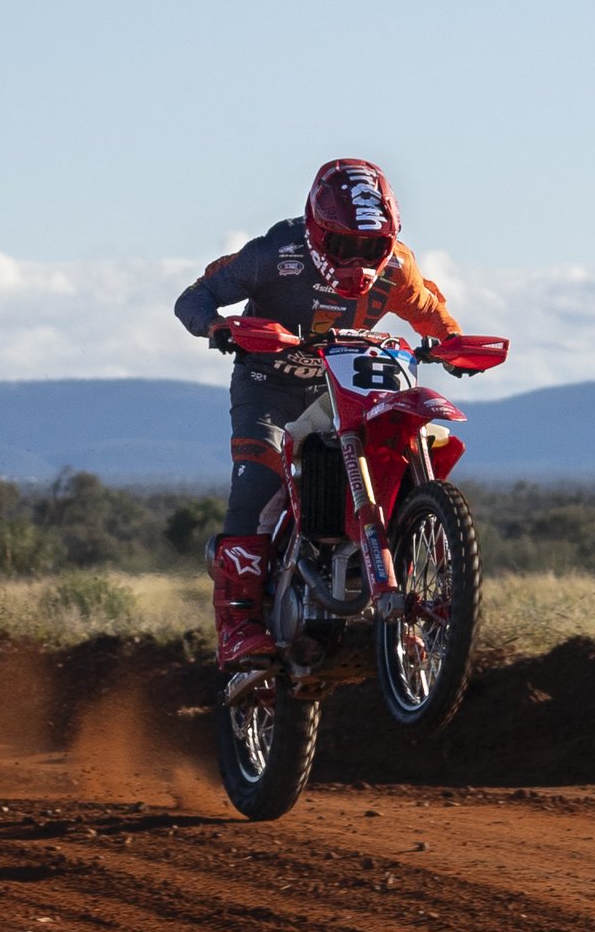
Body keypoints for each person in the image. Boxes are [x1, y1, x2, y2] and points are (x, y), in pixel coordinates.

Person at [174, 158, 462, 666]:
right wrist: (217, 328)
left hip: (352, 387)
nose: (359, 258)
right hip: (270, 384)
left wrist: (453, 344)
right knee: (258, 477)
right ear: (315, 229)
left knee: (395, 455)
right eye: (343, 243)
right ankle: (238, 624)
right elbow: (195, 297)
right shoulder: (273, 253)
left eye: (372, 245)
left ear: (391, 239)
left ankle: (404, 591)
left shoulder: (398, 267)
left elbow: (431, 314)